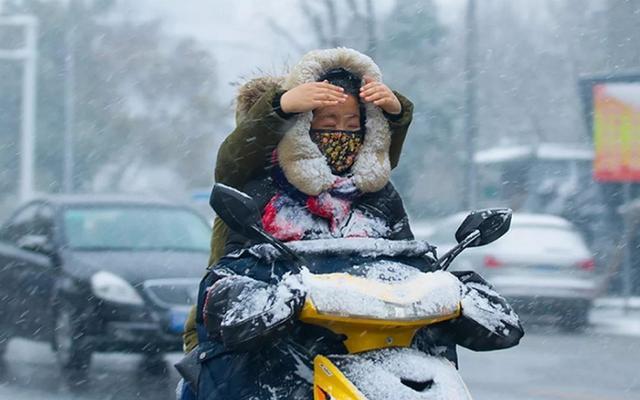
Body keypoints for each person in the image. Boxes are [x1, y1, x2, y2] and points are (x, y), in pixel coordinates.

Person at [181, 48, 523, 399]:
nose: (341, 136)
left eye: (353, 125)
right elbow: (235, 263)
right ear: (300, 127)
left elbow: (410, 264)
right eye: (326, 125)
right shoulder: (262, 186)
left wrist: (394, 111)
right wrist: (281, 105)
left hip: (378, 355)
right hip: (283, 357)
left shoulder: (377, 196)